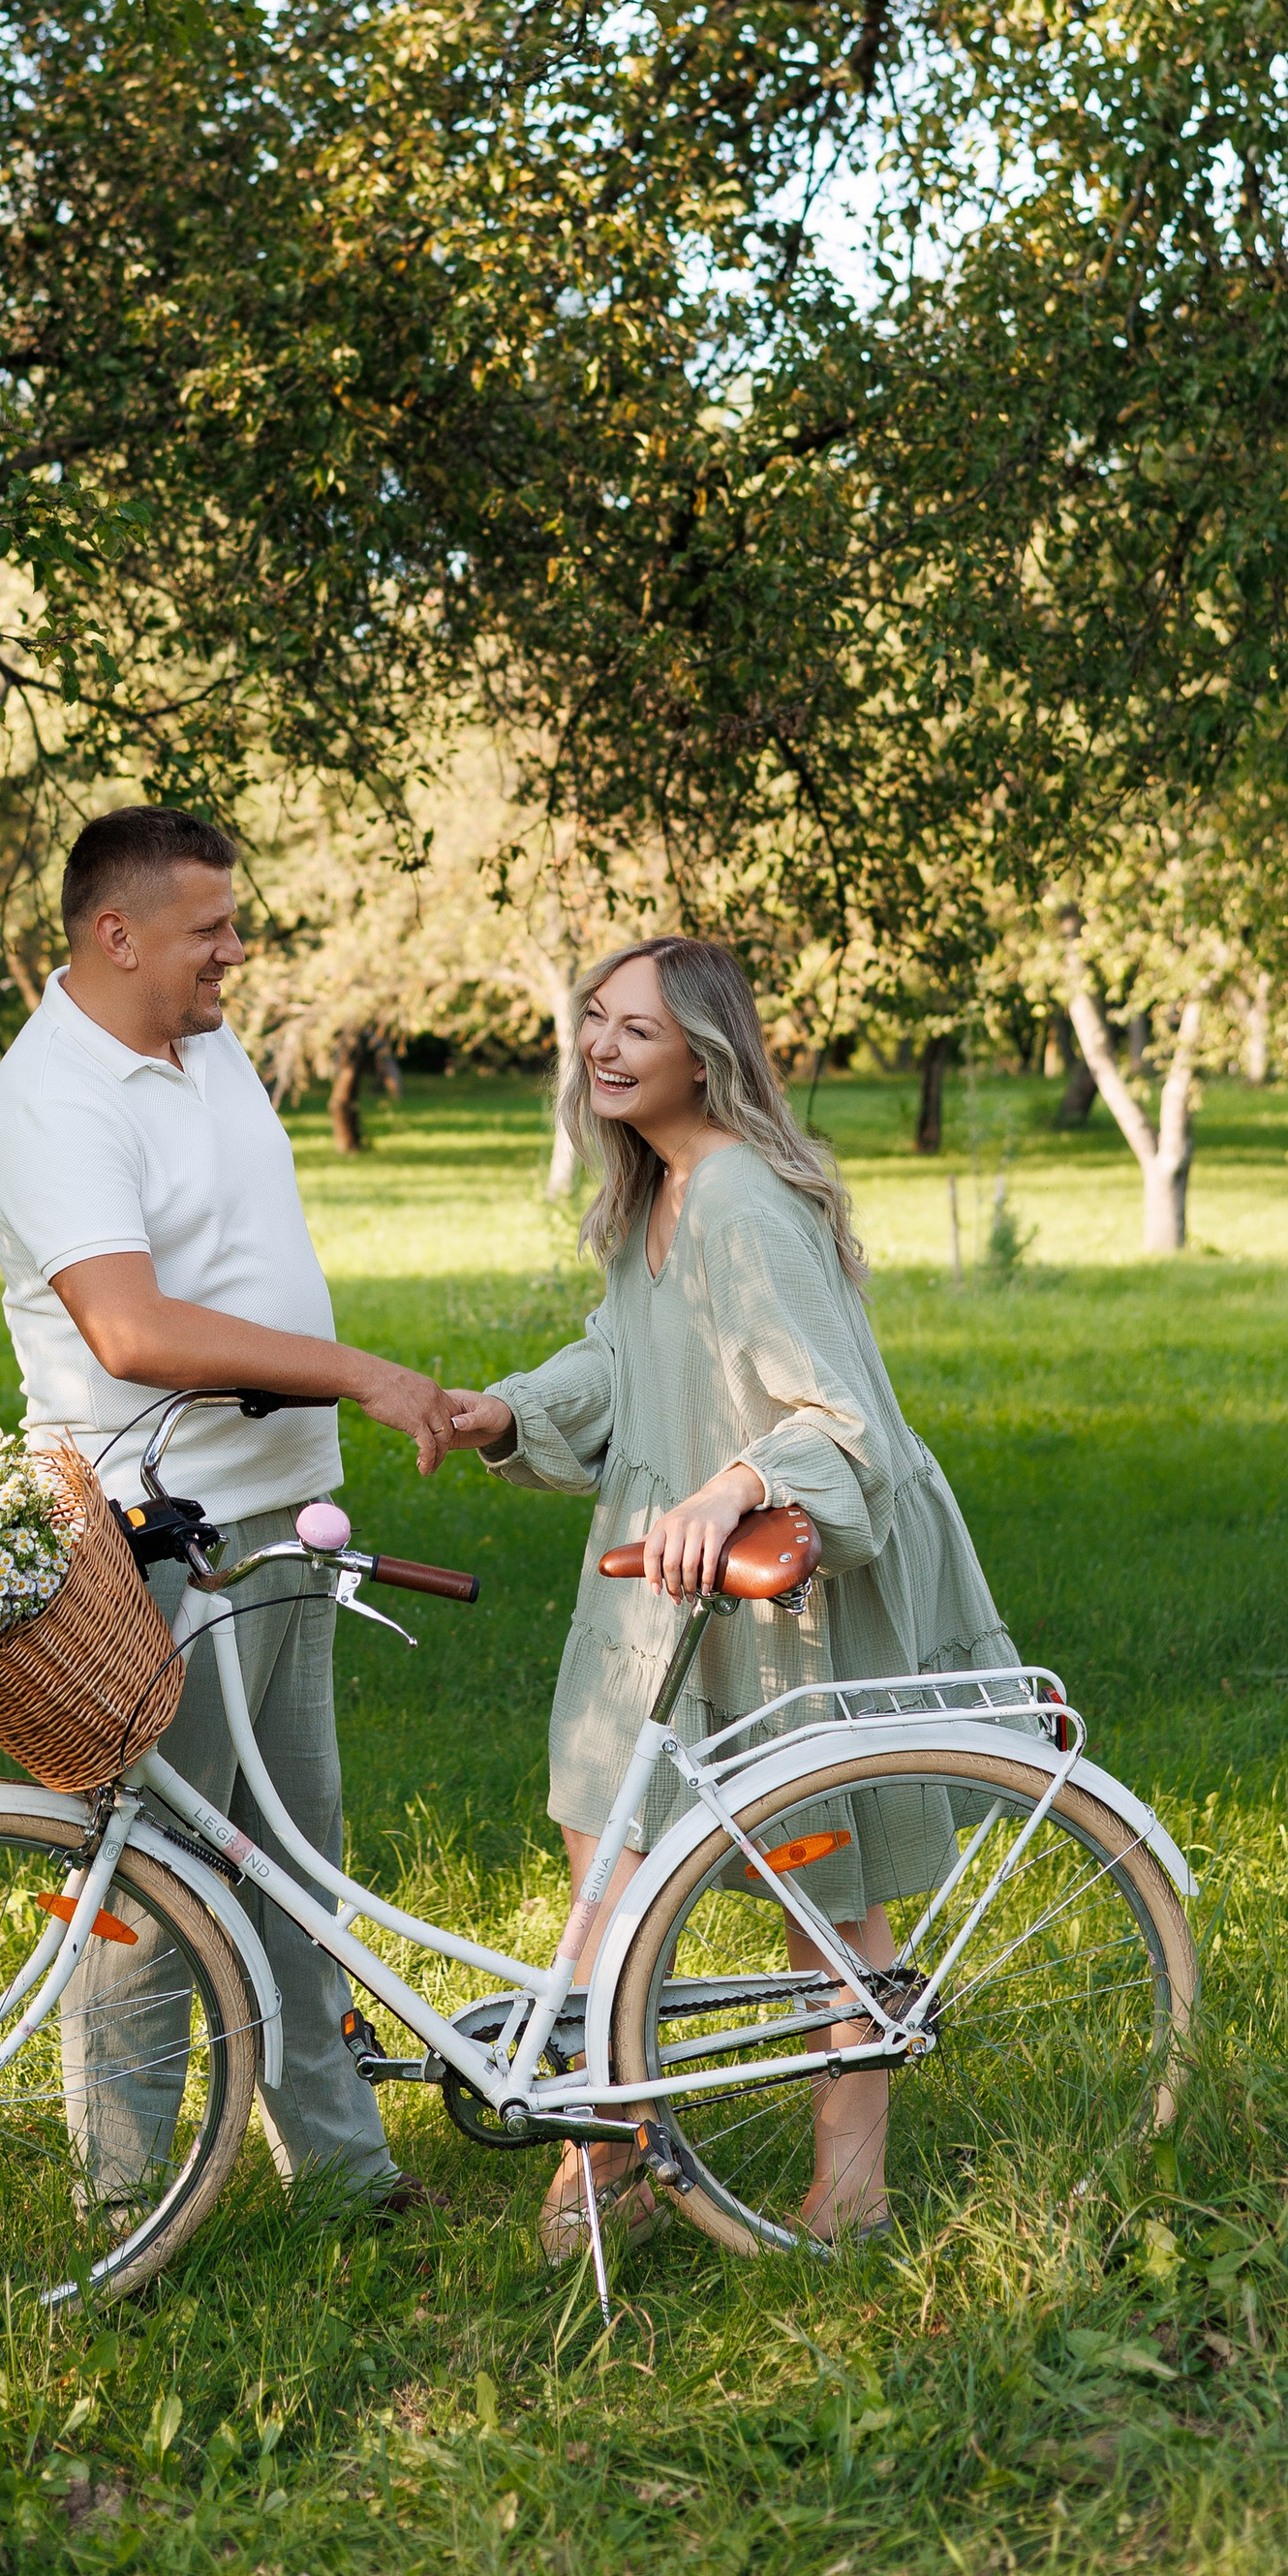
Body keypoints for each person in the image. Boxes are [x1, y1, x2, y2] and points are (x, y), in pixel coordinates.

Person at [441, 935, 1015, 2256]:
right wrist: (507, 1412)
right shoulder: (655, 1193)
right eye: (592, 1020)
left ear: (705, 1051)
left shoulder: (745, 1198)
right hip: (655, 1577)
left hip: (777, 1585)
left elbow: (843, 1417)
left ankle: (851, 2190)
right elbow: (624, 1358)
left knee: (827, 1886)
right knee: (606, 1858)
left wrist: (737, 1481)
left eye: (634, 1028)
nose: (601, 1046)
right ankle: (611, 2157)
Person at [0, 802, 454, 2215]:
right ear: (113, 936)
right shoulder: (53, 1098)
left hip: (283, 1522)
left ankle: (345, 2175)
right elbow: (128, 1330)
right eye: (208, 933)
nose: (236, 955)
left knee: (297, 1865)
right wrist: (360, 1372)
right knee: (149, 1896)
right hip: (150, 1549)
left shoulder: (202, 1042)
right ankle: (129, 2214)